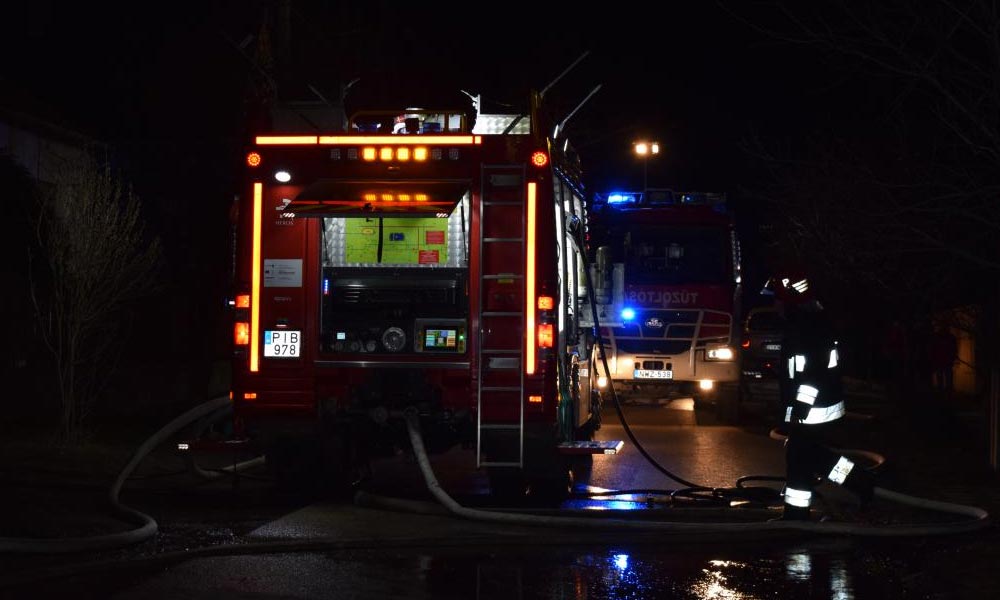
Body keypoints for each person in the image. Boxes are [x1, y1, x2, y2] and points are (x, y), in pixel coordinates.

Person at [762, 272, 876, 520]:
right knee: (815, 458)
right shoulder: (806, 324)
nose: (774, 306)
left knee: (800, 457)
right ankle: (860, 481)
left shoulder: (808, 329)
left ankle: (797, 517)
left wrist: (800, 408)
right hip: (813, 408)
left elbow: (813, 373)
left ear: (790, 301)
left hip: (814, 410)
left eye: (777, 300)